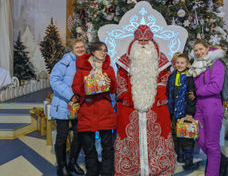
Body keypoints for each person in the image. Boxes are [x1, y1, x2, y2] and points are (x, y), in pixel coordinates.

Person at [114, 25, 176, 176]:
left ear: (152, 42)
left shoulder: (160, 59)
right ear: (134, 42)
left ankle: (157, 167)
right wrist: (124, 95)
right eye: (140, 40)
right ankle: (131, 167)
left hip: (155, 103)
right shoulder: (125, 59)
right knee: (129, 136)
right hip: (130, 105)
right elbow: (121, 78)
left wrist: (161, 91)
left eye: (145, 40)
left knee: (159, 134)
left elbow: (165, 76)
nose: (142, 43)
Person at [72, 41, 116, 176]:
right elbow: (75, 87)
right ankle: (92, 171)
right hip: (88, 110)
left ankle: (107, 171)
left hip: (105, 110)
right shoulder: (82, 69)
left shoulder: (108, 69)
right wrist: (87, 87)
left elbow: (114, 88)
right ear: (92, 52)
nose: (103, 53)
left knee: (107, 147)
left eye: (105, 50)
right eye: (99, 50)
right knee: (88, 147)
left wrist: (109, 84)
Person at [188, 39, 228, 176]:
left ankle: (212, 172)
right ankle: (219, 159)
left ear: (207, 49)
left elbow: (216, 86)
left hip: (213, 105)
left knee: (212, 144)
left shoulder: (216, 64)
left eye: (201, 49)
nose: (198, 52)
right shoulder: (197, 65)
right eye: (196, 50)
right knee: (198, 137)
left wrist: (198, 92)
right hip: (200, 105)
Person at [50, 39, 86, 176]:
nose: (80, 49)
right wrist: (70, 95)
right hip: (63, 104)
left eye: (82, 46)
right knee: (62, 135)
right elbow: (54, 80)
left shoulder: (85, 63)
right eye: (77, 47)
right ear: (71, 49)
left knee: (79, 135)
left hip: (79, 105)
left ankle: (72, 162)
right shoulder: (64, 63)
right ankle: (62, 166)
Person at [167, 53, 199, 171]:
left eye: (182, 63)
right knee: (175, 133)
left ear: (187, 64)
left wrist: (189, 113)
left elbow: (191, 98)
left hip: (185, 112)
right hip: (174, 111)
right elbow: (169, 94)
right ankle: (179, 155)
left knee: (186, 135)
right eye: (178, 63)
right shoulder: (172, 76)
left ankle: (188, 159)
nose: (179, 65)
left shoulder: (190, 78)